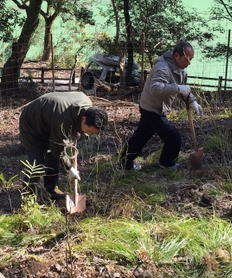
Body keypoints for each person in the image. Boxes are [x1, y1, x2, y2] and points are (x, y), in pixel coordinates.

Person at [119, 42, 203, 170]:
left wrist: (192, 101)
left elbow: (183, 90)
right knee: (173, 137)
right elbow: (155, 88)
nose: (189, 63)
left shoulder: (179, 69)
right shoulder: (163, 67)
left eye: (191, 59)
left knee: (141, 136)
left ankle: (124, 164)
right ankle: (166, 162)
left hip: (154, 107)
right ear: (176, 55)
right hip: (152, 109)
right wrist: (178, 88)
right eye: (187, 59)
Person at [19, 91, 108, 201]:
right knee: (37, 164)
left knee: (52, 159)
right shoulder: (64, 120)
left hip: (50, 121)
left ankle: (51, 190)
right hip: (31, 124)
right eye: (89, 131)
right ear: (83, 119)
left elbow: (72, 127)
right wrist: (70, 167)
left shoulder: (86, 107)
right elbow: (57, 148)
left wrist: (75, 133)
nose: (88, 135)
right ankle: (27, 194)